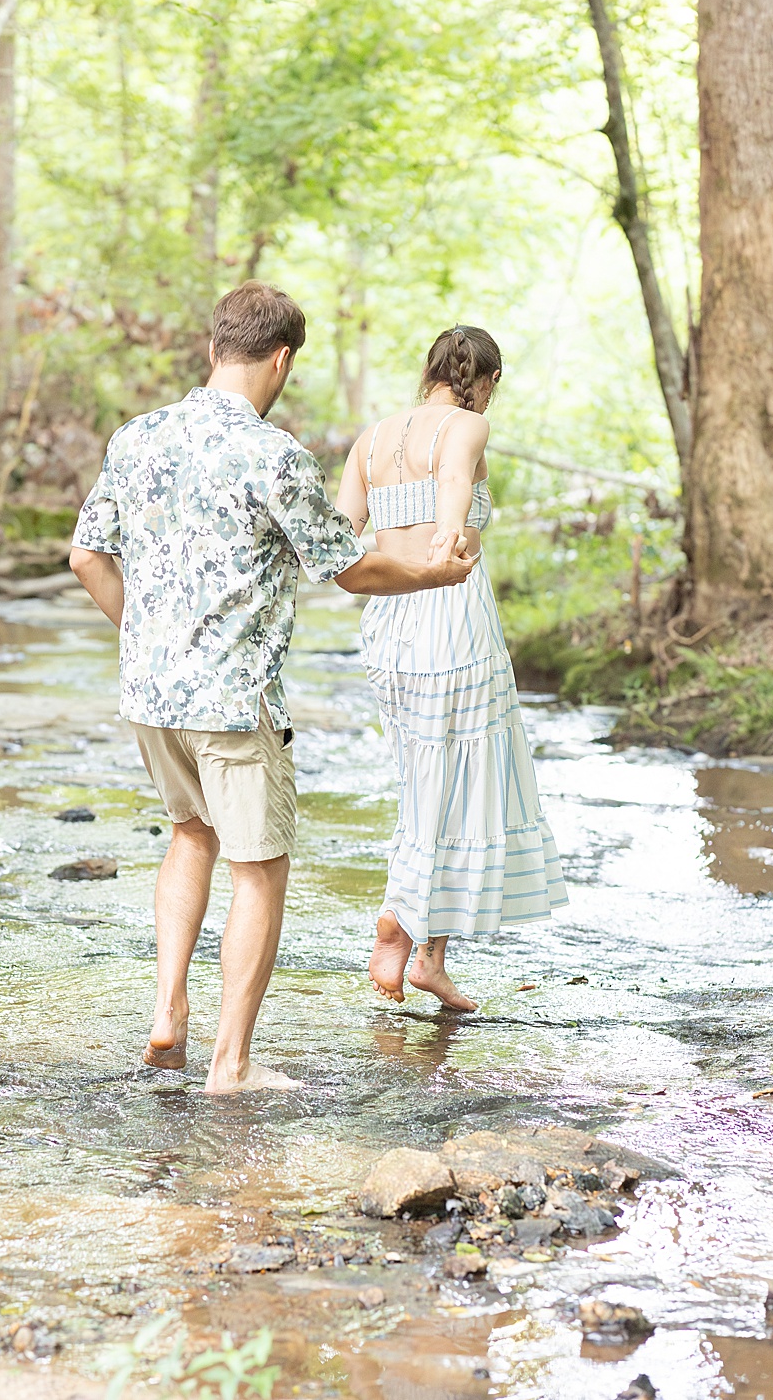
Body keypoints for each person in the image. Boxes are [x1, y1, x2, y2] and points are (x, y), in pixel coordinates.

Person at [68, 280, 476, 1093]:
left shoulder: (135, 438)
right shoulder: (273, 454)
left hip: (152, 696)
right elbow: (352, 568)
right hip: (233, 700)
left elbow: (86, 556)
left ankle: (167, 1014)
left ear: (216, 346)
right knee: (258, 868)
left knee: (189, 834)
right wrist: (434, 574)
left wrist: (148, 643)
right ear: (281, 357)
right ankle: (232, 1063)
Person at [334, 325, 568, 1011]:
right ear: (486, 379)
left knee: (429, 780)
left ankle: (430, 954)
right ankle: (398, 922)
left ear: (430, 370)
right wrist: (445, 536)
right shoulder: (466, 426)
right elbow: (455, 483)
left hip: (386, 625)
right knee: (460, 781)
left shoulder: (371, 438)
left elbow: (340, 530)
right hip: (451, 616)